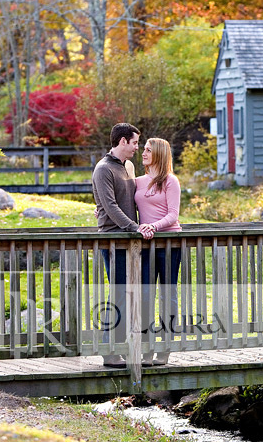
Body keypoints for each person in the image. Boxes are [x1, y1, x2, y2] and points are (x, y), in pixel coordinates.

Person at [91, 123, 155, 368]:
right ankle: (109, 351)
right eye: (135, 143)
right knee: (118, 294)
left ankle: (128, 347)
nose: (138, 148)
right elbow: (109, 207)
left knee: (132, 295)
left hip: (130, 239)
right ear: (123, 142)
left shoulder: (128, 166)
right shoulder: (103, 169)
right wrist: (135, 227)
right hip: (114, 239)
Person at [135, 138, 181, 366]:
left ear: (159, 154)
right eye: (142, 149)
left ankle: (166, 347)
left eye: (148, 150)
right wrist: (102, 211)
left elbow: (173, 214)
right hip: (145, 245)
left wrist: (154, 226)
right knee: (145, 296)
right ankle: (146, 348)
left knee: (168, 296)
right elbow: (123, 205)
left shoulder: (170, 181)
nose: (143, 153)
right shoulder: (137, 181)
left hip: (169, 244)